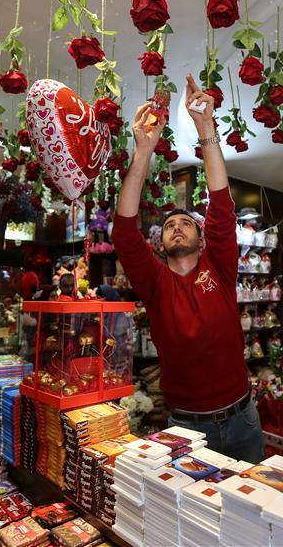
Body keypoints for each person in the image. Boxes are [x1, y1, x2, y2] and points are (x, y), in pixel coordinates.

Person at [111, 74, 265, 463]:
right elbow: (125, 233)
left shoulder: (220, 266)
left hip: (243, 418)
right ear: (160, 245)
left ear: (201, 236)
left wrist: (205, 128)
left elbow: (221, 204)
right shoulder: (155, 282)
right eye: (168, 226)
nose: (177, 227)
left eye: (185, 224)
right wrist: (143, 151)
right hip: (184, 428)